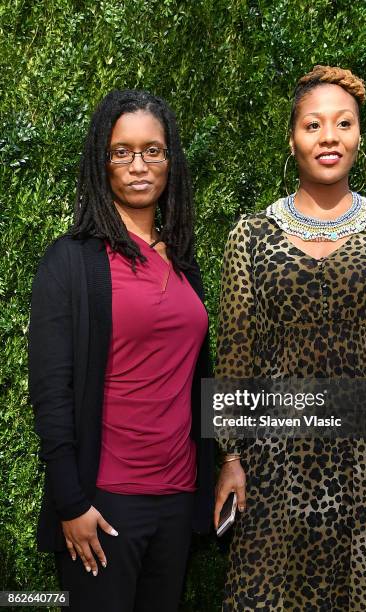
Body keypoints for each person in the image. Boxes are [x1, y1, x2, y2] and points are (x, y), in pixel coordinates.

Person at [214, 66, 366, 610]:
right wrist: (232, 457)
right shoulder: (250, 235)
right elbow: (235, 354)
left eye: (343, 123)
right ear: (293, 139)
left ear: (359, 136)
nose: (329, 137)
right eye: (313, 125)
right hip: (273, 465)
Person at [29, 89, 214, 612]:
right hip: (104, 506)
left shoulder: (183, 264)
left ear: (170, 161)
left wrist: (228, 461)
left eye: (153, 151)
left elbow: (196, 379)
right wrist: (71, 501)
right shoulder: (72, 260)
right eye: (122, 151)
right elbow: (50, 389)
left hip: (178, 501)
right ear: (101, 161)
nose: (139, 165)